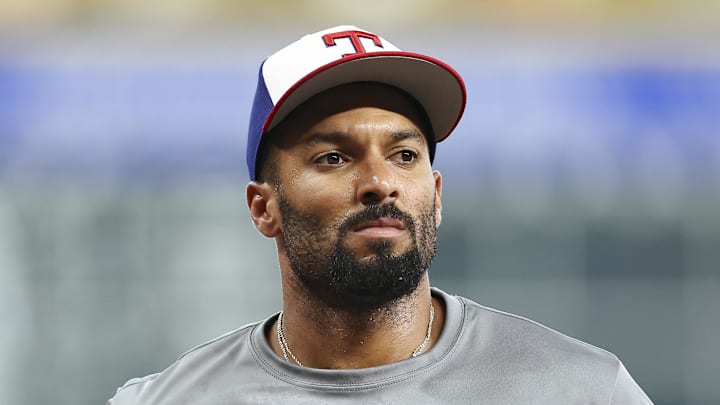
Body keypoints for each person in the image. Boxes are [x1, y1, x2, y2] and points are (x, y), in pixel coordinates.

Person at [108, 25, 652, 404]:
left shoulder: (578, 390)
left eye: (405, 155)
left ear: (436, 195)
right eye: (334, 157)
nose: (380, 183)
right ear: (264, 207)